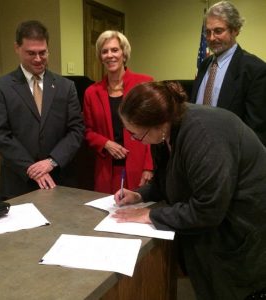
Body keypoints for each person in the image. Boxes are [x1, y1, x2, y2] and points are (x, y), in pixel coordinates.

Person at [113, 81, 266, 299]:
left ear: (157, 123)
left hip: (244, 226)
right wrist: (139, 195)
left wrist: (150, 214)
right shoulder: (164, 134)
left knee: (238, 288)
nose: (136, 140)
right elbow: (166, 180)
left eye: (137, 135)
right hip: (218, 228)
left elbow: (208, 210)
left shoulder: (204, 134)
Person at [0, 20, 84, 201]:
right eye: (31, 53)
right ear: (17, 48)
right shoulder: (0, 87)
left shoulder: (66, 86)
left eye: (43, 52)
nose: (38, 59)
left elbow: (76, 130)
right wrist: (32, 169)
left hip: (59, 179)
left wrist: (51, 161)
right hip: (18, 182)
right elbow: (1, 134)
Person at [83, 30, 153, 194]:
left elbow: (155, 128)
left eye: (115, 50)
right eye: (104, 51)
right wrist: (105, 143)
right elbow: (87, 130)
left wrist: (149, 167)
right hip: (107, 169)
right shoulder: (91, 92)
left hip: (138, 167)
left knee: (136, 215)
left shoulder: (144, 84)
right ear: (100, 57)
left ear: (124, 53)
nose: (110, 55)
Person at [191, 1, 266, 146]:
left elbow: (256, 131)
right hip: (198, 149)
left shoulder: (255, 70)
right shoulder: (204, 65)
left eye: (218, 31)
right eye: (208, 32)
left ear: (235, 30)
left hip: (232, 156)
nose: (212, 38)